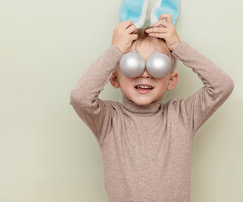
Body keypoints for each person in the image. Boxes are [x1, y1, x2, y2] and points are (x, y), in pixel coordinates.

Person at [69, 14, 234, 201]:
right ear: (115, 79)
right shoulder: (108, 120)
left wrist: (178, 46)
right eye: (133, 65)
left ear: (171, 81)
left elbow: (222, 85)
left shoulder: (182, 116)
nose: (145, 74)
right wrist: (115, 51)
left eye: (157, 66)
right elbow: (80, 98)